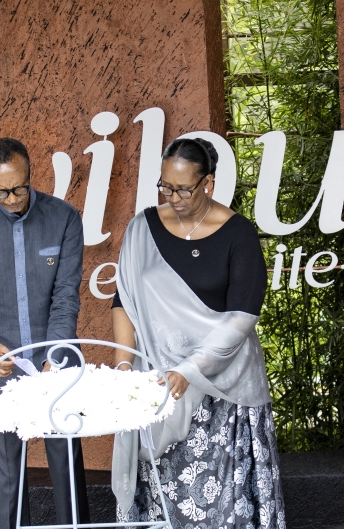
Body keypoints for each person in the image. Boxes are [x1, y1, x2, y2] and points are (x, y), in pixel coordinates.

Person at [110, 136, 285, 529]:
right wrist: (124, 369)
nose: (172, 196)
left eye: (183, 188)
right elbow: (124, 302)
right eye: (165, 186)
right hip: (159, 387)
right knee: (165, 500)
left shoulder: (238, 233)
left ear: (208, 182)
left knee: (224, 506)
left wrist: (188, 370)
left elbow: (242, 318)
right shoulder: (142, 229)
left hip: (222, 391)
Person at [0, 137, 90, 529]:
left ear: (31, 174)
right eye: (0, 191)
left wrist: (54, 356)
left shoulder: (63, 218)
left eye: (19, 188)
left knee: (66, 469)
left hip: (55, 365)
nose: (11, 198)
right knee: (10, 476)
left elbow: (65, 297)